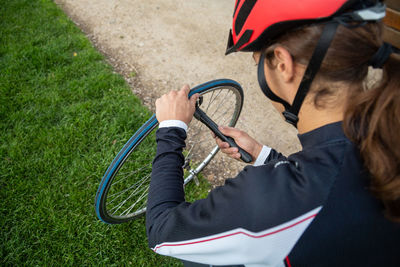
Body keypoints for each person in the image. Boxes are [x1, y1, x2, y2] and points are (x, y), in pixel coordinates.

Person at [146, 0, 400, 266]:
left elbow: (162, 232)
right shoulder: (383, 131)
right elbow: (330, 187)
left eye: (257, 63)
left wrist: (171, 129)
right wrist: (265, 157)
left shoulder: (274, 201)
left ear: (281, 63)